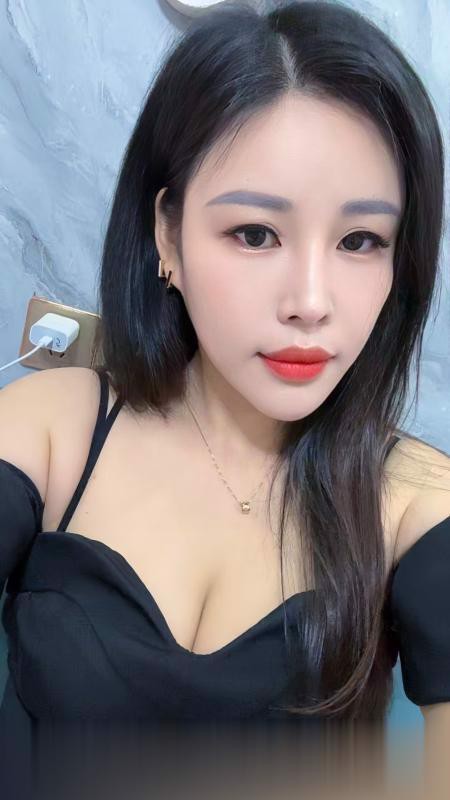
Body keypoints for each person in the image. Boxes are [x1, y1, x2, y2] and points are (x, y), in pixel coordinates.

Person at [0, 0, 449, 795]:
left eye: (360, 241)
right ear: (167, 235)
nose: (310, 302)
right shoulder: (55, 429)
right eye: (255, 234)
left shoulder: (414, 503)